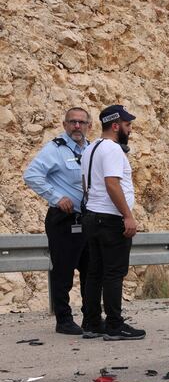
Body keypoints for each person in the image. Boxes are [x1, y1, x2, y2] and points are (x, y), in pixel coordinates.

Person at [23, 107, 93, 335]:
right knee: (63, 272)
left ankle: (91, 318)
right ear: (64, 125)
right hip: (63, 219)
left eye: (81, 122)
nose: (77, 126)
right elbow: (31, 175)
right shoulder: (55, 149)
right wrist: (56, 197)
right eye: (72, 122)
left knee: (91, 271)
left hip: (88, 219)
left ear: (88, 126)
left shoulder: (92, 149)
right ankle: (63, 320)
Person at [80, 105, 145, 340]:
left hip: (92, 216)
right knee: (113, 273)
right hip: (109, 219)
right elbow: (112, 184)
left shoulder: (91, 149)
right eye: (127, 125)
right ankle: (115, 326)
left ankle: (91, 323)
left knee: (94, 273)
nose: (130, 130)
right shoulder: (113, 150)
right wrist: (127, 215)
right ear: (116, 126)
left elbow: (86, 184)